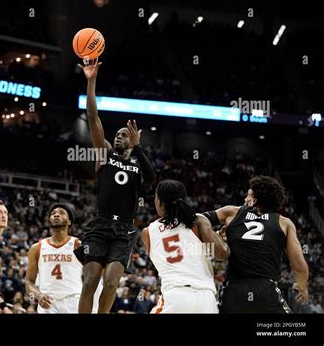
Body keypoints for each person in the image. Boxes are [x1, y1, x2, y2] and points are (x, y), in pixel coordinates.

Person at [76, 59, 156, 313]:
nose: (118, 136)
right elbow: (92, 117)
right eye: (117, 134)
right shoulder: (105, 155)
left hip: (124, 228)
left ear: (132, 141)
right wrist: (91, 81)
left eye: (124, 135)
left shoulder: (137, 162)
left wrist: (139, 147)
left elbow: (152, 179)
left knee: (111, 283)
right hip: (100, 225)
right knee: (90, 281)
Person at [203, 175, 309, 313]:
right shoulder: (285, 223)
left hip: (234, 290)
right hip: (265, 291)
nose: (245, 199)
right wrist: (302, 287)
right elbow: (299, 266)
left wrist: (215, 235)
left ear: (254, 200)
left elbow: (199, 220)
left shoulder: (231, 212)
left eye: (248, 195)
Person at [142, 180, 230, 313]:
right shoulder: (198, 220)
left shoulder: (147, 232)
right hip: (207, 299)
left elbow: (176, 245)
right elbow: (223, 253)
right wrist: (217, 236)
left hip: (176, 296)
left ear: (159, 202)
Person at [26, 203, 101, 313]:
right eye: (53, 214)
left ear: (69, 222)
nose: (56, 215)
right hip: (47, 303)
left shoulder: (78, 245)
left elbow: (93, 277)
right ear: (49, 220)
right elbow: (29, 282)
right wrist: (38, 295)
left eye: (61, 213)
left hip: (73, 301)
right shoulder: (37, 248)